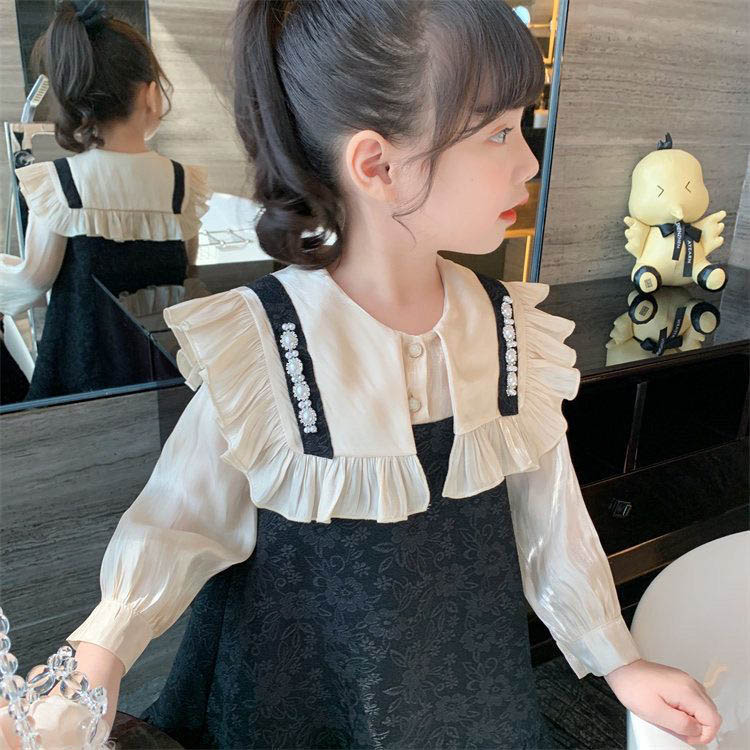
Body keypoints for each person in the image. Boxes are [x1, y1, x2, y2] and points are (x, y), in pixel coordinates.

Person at [36, 1, 722, 748]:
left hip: (465, 686)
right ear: (378, 166)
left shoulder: (507, 329)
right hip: (304, 691)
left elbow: (551, 520)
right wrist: (97, 657)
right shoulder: (266, 342)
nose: (528, 161)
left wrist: (620, 660)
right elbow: (177, 521)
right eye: (498, 132)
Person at [0, 0, 209, 402]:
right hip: (159, 373)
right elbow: (186, 271)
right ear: (151, 95)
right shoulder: (183, 183)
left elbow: (32, 282)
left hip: (84, 381)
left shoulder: (61, 184)